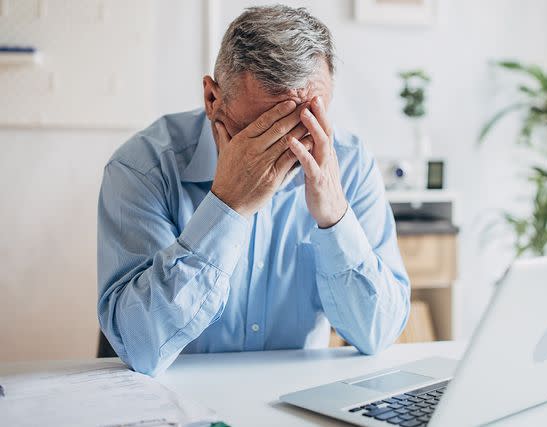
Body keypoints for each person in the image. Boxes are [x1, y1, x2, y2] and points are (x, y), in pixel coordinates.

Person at [97, 4, 410, 376]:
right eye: (264, 133)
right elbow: (139, 346)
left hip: (296, 398)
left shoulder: (351, 164)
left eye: (305, 125)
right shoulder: (143, 168)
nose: (289, 149)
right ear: (213, 100)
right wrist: (226, 207)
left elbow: (378, 333)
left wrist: (335, 217)